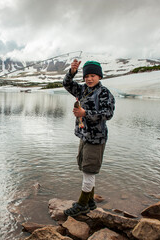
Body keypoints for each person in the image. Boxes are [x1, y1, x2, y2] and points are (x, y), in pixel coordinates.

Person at [63, 59, 115, 217]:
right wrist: (72, 72)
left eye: (93, 75)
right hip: (84, 136)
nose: (89, 79)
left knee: (89, 171)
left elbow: (108, 114)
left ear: (99, 77)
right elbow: (67, 84)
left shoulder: (104, 93)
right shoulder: (82, 90)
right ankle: (90, 201)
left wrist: (85, 113)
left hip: (96, 139)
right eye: (87, 76)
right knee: (84, 166)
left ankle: (82, 205)